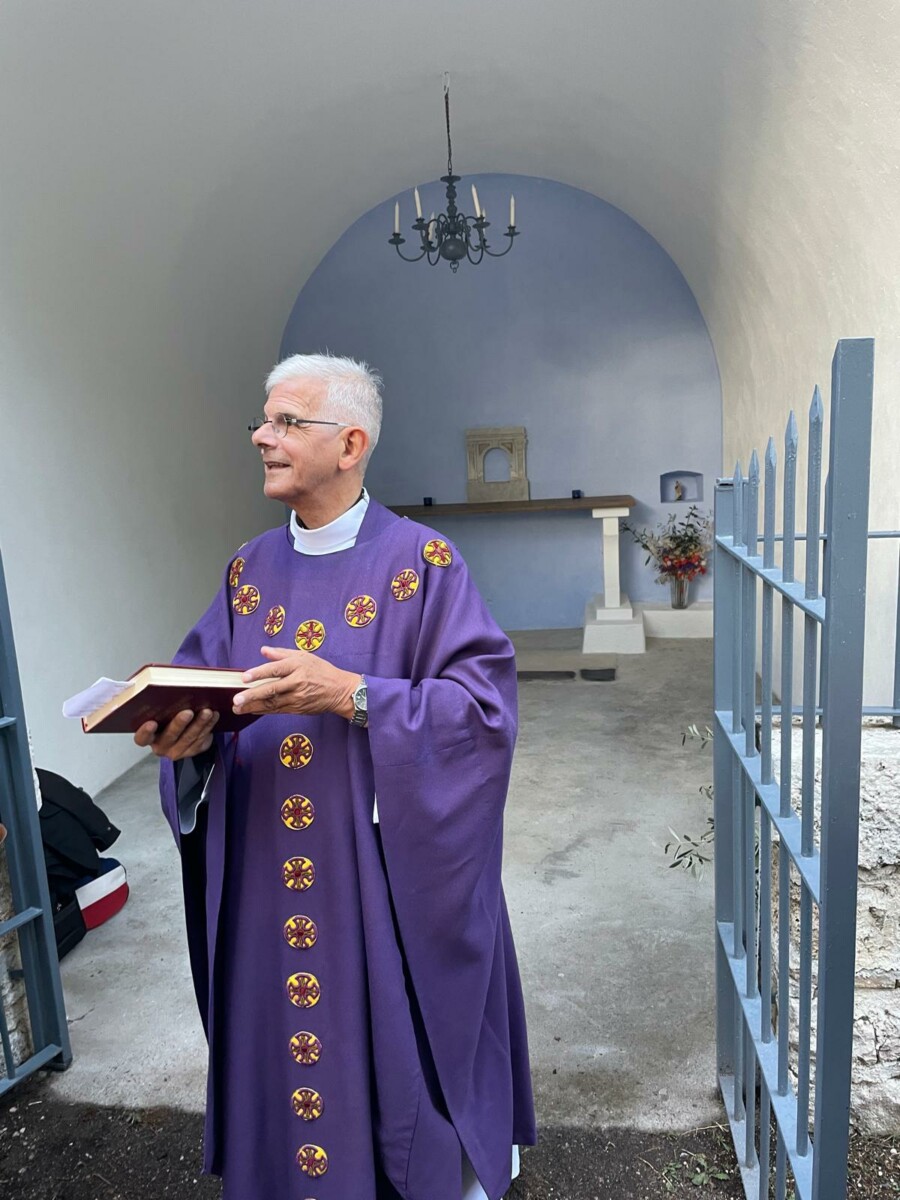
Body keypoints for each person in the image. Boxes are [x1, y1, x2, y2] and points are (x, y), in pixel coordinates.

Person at [134, 354, 535, 1200]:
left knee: (386, 1040)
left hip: (374, 876)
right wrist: (186, 742)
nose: (261, 437)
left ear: (350, 444)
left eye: (287, 422)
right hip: (265, 873)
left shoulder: (423, 563)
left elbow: (482, 714)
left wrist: (353, 694)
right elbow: (200, 684)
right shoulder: (246, 571)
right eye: (263, 419)